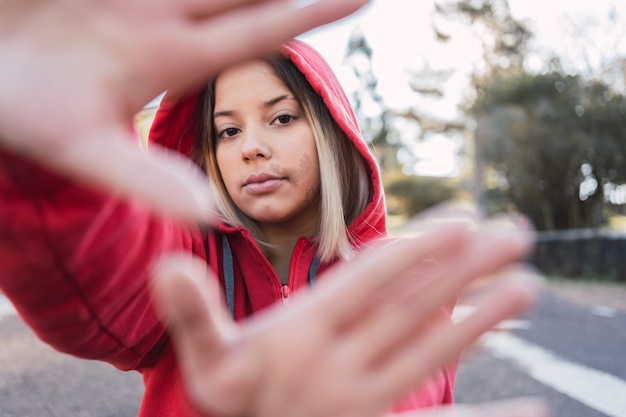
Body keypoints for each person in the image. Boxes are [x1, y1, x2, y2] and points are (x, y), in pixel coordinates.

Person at [0, 1, 547, 416]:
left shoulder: (403, 271)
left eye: (281, 118)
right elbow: (93, 274)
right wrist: (37, 157)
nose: (250, 147)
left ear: (332, 134)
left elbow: (407, 391)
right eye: (227, 130)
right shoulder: (182, 261)